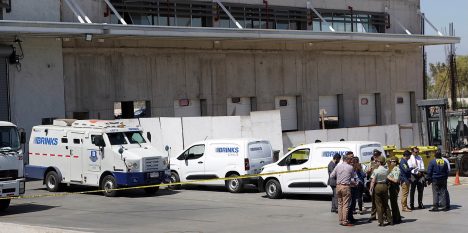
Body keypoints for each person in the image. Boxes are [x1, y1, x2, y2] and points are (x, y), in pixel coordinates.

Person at [330, 155, 356, 226]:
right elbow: (353, 179)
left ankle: (340, 220)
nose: (350, 160)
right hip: (346, 186)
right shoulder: (350, 167)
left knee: (340, 204)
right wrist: (354, 183)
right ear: (347, 160)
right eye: (350, 159)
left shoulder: (338, 166)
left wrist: (339, 177)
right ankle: (345, 221)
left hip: (338, 186)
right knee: (345, 204)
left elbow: (331, 175)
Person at [369, 156, 392, 227]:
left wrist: (371, 188)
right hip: (384, 185)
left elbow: (373, 180)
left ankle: (381, 221)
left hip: (378, 186)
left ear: (379, 162)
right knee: (386, 204)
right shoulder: (386, 170)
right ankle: (390, 220)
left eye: (377, 161)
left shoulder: (376, 170)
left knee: (378, 204)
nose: (376, 162)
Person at [367, 149, 383, 222]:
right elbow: (366, 173)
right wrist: (368, 171)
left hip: (380, 182)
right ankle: (373, 215)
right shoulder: (371, 163)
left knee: (381, 201)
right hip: (373, 182)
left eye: (377, 155)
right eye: (374, 156)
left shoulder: (382, 163)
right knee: (373, 200)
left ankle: (383, 215)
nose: (376, 157)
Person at [387, 156, 402, 224]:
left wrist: (388, 177)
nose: (390, 163)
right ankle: (397, 217)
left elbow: (395, 180)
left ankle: (396, 218)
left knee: (394, 204)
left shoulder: (396, 169)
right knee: (394, 203)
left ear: (395, 162)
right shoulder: (393, 168)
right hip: (392, 187)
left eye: (391, 161)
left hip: (394, 187)